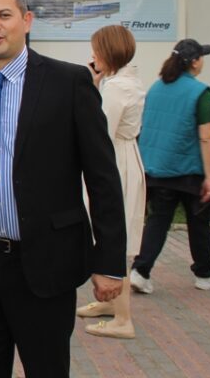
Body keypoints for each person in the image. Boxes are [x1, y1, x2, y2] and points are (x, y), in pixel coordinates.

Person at [0, 0, 125, 378]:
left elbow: (102, 178)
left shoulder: (68, 82)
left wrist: (110, 262)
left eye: (4, 15)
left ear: (27, 20)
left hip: (45, 263)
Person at [131, 38, 210, 294]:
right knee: (199, 224)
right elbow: (207, 136)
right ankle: (205, 275)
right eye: (202, 57)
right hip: (190, 170)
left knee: (158, 222)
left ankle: (140, 271)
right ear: (194, 62)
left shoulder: (156, 88)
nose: (203, 61)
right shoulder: (199, 92)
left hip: (158, 169)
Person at [76, 25, 147, 339]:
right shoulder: (124, 80)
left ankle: (123, 318)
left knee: (118, 236)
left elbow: (100, 130)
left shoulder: (117, 87)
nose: (92, 56)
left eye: (96, 50)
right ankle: (110, 305)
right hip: (124, 156)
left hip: (116, 161)